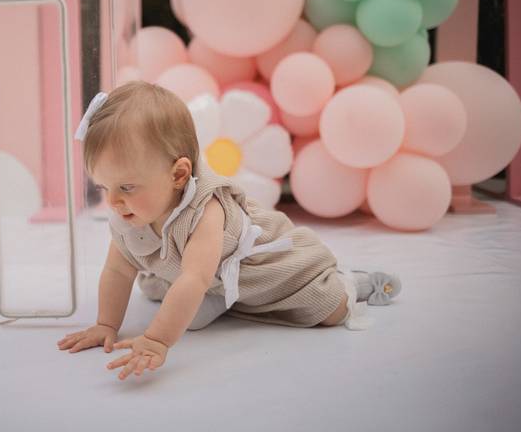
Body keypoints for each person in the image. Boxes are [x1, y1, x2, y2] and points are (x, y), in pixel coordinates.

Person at [57, 81, 401, 381]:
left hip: (257, 266)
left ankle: (355, 282)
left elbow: (194, 278)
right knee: (179, 307)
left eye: (127, 187)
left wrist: (157, 339)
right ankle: (216, 299)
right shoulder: (128, 211)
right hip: (210, 278)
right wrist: (106, 324)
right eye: (104, 187)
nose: (113, 201)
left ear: (178, 175)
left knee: (327, 310)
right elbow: (118, 270)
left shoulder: (207, 211)